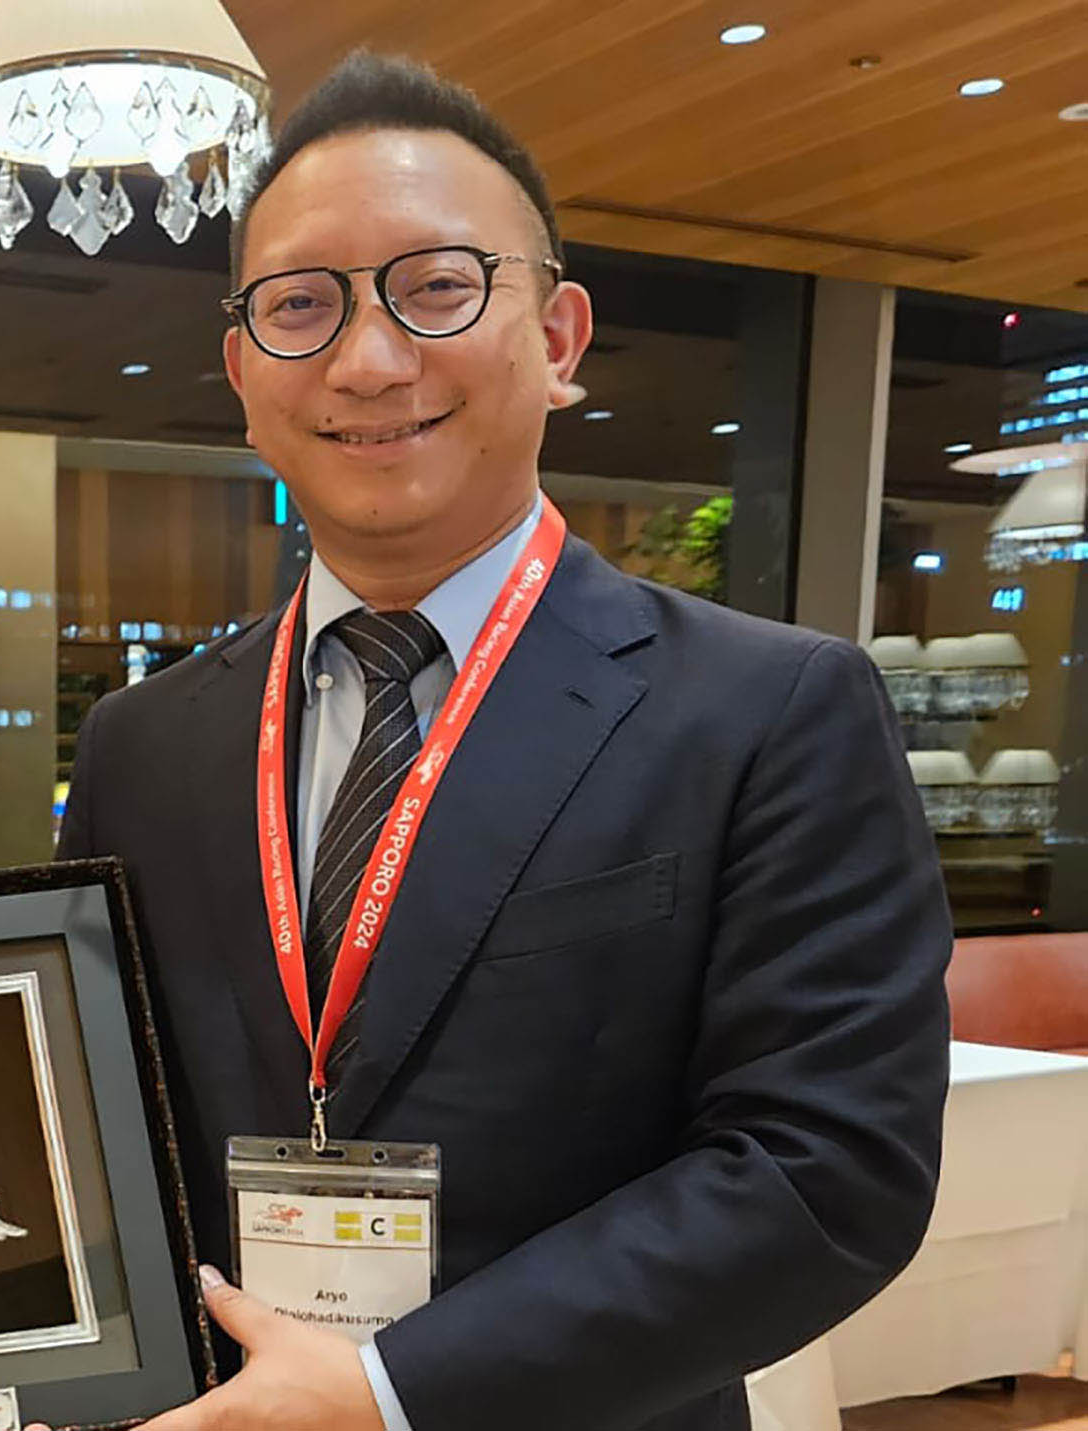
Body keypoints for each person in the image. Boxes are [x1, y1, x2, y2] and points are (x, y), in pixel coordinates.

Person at [55, 52, 949, 1431]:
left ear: (558, 337)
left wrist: (387, 1390)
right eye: (300, 305)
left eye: (436, 286)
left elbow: (821, 1170)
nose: (364, 359)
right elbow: (90, 1116)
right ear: (242, 374)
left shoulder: (767, 713)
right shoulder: (142, 743)